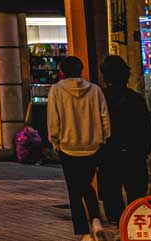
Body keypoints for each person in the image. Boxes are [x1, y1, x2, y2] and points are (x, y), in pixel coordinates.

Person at [47, 56, 111, 241]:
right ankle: (96, 219)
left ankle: (84, 232)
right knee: (86, 184)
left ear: (62, 72)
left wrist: (55, 140)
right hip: (93, 145)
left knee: (75, 190)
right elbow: (104, 116)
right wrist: (103, 137)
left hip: (68, 146)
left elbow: (53, 118)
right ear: (81, 70)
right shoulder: (95, 90)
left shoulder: (57, 90)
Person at [96, 55, 151, 222]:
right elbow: (145, 129)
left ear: (105, 76)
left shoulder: (100, 99)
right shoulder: (136, 99)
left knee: (112, 198)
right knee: (137, 199)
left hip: (109, 155)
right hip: (134, 155)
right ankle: (134, 229)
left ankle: (119, 228)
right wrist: (144, 151)